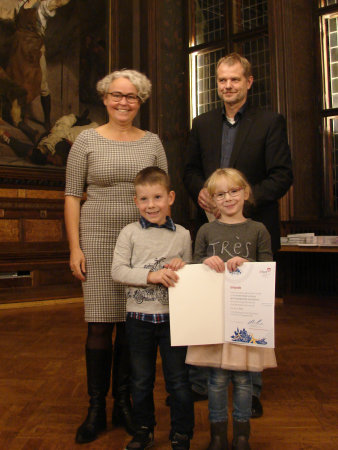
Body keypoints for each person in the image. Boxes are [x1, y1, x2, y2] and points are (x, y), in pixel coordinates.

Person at [183, 52, 293, 417]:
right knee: (210, 309)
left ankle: (252, 388)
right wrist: (200, 190)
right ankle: (204, 383)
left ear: (248, 82)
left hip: (253, 230)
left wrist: (240, 201)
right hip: (210, 231)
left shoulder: (270, 121)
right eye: (221, 81)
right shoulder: (201, 123)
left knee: (252, 313)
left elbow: (281, 175)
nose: (227, 86)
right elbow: (190, 170)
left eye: (234, 80)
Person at [64, 70, 168, 444]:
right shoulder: (85, 140)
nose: (124, 102)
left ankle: (123, 403)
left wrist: (162, 246)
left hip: (142, 242)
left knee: (131, 325)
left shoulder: (153, 142)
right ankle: (95, 408)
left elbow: (162, 195)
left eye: (132, 97)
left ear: (140, 102)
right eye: (117, 95)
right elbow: (73, 196)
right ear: (105, 98)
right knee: (99, 325)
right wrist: (75, 247)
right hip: (96, 236)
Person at [186, 168, 277, 450]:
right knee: (215, 380)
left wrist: (247, 266)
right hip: (214, 315)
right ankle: (216, 436)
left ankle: (241, 436)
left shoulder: (258, 230)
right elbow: (195, 267)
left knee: (243, 379)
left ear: (245, 192)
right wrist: (205, 263)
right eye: (220, 194)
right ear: (211, 200)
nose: (228, 198)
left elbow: (267, 268)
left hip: (245, 317)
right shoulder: (205, 230)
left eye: (233, 191)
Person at [111, 167, 194, 450]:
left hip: (173, 319)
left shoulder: (183, 235)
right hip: (139, 319)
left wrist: (184, 267)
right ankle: (144, 429)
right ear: (136, 202)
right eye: (144, 199)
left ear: (170, 197)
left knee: (178, 381)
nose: (151, 205)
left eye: (157, 197)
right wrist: (151, 276)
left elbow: (191, 277)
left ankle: (182, 433)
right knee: (141, 380)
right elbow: (118, 271)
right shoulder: (129, 233)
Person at [3, 0, 71, 131]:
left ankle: (47, 121)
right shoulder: (21, 4)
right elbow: (10, 16)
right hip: (19, 49)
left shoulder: (43, 5)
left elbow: (58, 2)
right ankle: (18, 119)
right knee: (16, 81)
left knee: (42, 85)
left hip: (35, 51)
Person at [0, 111, 98, 166]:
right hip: (60, 136)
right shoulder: (57, 144)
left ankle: (19, 124)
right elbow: (62, 126)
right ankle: (19, 123)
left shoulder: (60, 147)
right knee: (40, 138)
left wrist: (5, 136)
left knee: (39, 140)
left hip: (64, 137)